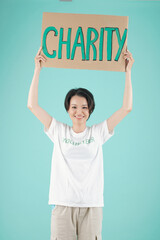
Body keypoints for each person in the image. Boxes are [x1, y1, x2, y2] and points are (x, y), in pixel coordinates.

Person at [27, 46, 134, 240]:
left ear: (90, 110)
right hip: (62, 206)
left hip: (91, 207)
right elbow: (32, 105)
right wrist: (37, 68)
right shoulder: (58, 130)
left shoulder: (98, 132)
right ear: (67, 109)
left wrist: (128, 72)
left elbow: (126, 108)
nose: (79, 111)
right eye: (74, 106)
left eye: (84, 107)